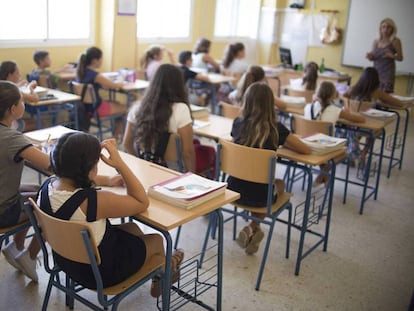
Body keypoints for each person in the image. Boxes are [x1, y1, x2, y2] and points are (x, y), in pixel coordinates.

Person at [37, 132, 184, 296]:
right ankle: (162, 275)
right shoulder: (93, 201)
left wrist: (107, 180)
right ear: (90, 170)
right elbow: (142, 202)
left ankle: (157, 265)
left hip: (66, 262)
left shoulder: (46, 188)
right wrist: (120, 164)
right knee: (156, 239)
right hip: (100, 273)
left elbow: (76, 179)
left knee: (132, 227)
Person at [227, 82, 310, 255]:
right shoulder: (276, 130)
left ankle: (252, 229)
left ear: (246, 102)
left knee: (256, 185)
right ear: (270, 104)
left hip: (233, 190)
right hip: (260, 198)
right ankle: (253, 226)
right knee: (279, 184)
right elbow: (305, 149)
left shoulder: (237, 124)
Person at [0, 81, 50, 282]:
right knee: (51, 203)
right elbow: (50, 165)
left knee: (39, 191)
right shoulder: (12, 138)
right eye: (22, 101)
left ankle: (16, 246)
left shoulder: (11, 137)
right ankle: (29, 256)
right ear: (13, 109)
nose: (24, 104)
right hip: (3, 210)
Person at [123, 64, 196, 172]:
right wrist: (193, 177)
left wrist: (139, 163)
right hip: (172, 173)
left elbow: (126, 143)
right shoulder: (181, 109)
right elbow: (187, 153)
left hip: (143, 170)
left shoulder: (138, 107)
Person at [304, 81, 365, 185]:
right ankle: (324, 172)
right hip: (324, 147)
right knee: (345, 151)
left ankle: (324, 175)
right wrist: (347, 111)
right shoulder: (336, 110)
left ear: (317, 93)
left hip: (306, 144)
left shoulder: (308, 107)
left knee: (321, 143)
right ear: (333, 95)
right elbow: (361, 119)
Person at [343, 67, 404, 167]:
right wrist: (380, 101)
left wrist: (349, 104)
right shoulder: (377, 92)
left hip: (351, 126)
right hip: (368, 128)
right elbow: (399, 103)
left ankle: (352, 151)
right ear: (376, 80)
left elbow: (343, 96)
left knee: (357, 127)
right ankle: (363, 153)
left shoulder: (354, 89)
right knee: (377, 129)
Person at [76, 46, 124, 134]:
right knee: (124, 108)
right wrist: (122, 80)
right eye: (101, 58)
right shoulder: (96, 75)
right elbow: (115, 85)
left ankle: (116, 134)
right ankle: (117, 136)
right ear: (95, 60)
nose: (102, 61)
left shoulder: (80, 72)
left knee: (115, 103)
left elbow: (103, 86)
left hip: (85, 108)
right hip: (96, 109)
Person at [366, 18, 403, 93]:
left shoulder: (395, 41)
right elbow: (374, 57)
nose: (386, 29)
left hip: (387, 74)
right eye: (384, 27)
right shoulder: (376, 41)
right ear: (380, 29)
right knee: (373, 95)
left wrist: (392, 56)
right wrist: (370, 57)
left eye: (388, 27)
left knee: (385, 97)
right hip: (375, 73)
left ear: (392, 29)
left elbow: (400, 58)